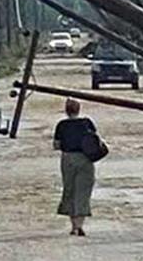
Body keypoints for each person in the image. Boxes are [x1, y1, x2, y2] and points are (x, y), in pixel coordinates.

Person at [53, 98, 97, 236]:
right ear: (79, 109)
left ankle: (73, 227)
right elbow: (96, 140)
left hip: (68, 159)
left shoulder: (61, 125)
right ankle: (80, 224)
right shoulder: (87, 123)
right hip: (85, 159)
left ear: (66, 111)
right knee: (83, 191)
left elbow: (56, 145)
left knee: (70, 189)